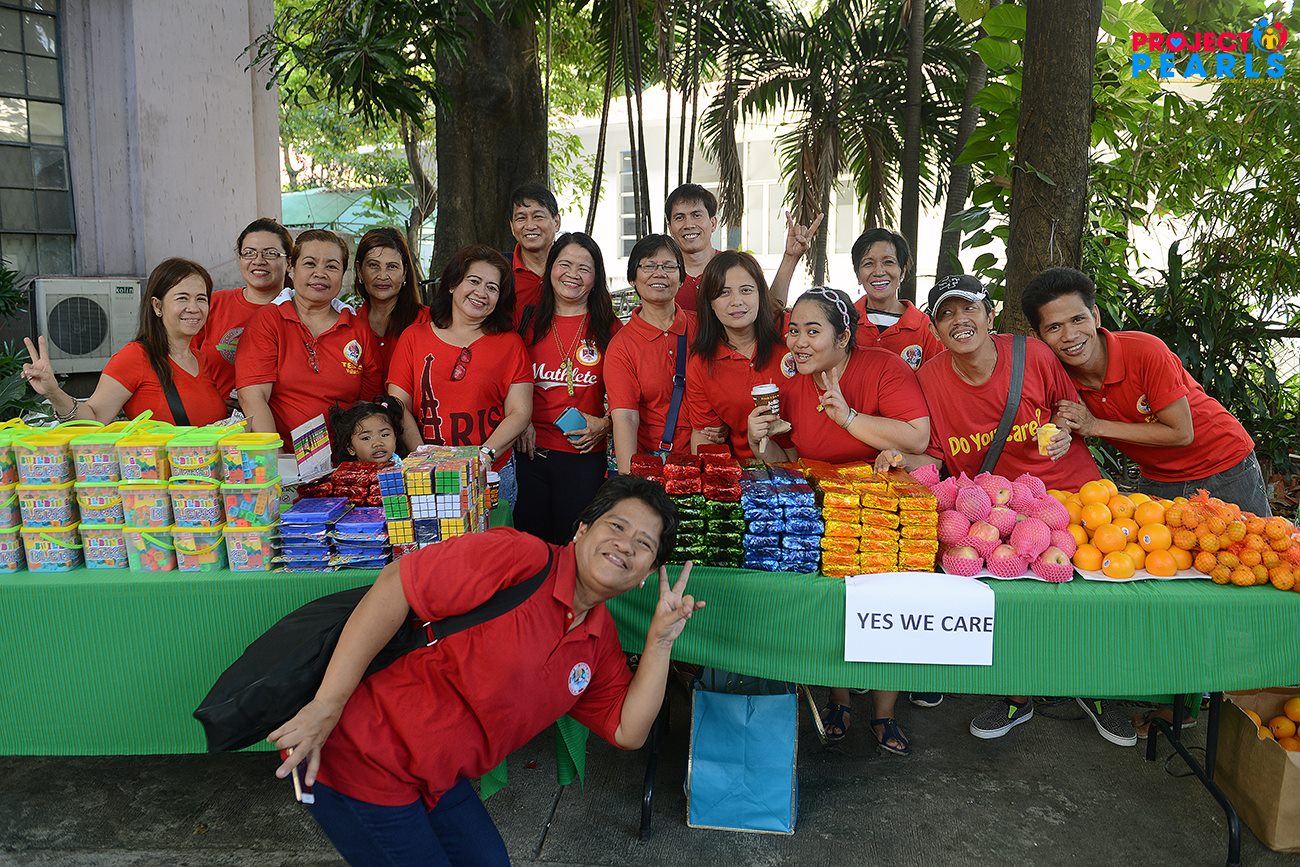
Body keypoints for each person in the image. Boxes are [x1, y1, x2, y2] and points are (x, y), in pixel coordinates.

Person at [268, 475, 704, 867]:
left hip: (436, 778)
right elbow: (396, 583)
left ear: (647, 573)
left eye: (644, 544)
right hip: (358, 758)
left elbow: (628, 730)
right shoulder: (521, 558)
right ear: (582, 529)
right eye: (617, 526)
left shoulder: (598, 637)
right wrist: (327, 703)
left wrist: (660, 641)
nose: (626, 545)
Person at [882, 276, 1130, 747]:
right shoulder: (929, 379)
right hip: (1000, 511)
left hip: (1070, 496)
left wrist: (1063, 429)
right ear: (933, 329)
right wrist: (897, 458)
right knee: (1010, 604)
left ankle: (1094, 690)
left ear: (989, 314)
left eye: (969, 309)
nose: (959, 320)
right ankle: (1017, 696)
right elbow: (933, 455)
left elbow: (1069, 407)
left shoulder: (1032, 355)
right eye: (946, 314)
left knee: (1087, 601)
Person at [748, 287, 930, 755]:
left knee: (887, 607)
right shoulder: (791, 378)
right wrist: (758, 440)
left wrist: (848, 417)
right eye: (794, 330)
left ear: (844, 336)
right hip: (825, 507)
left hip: (882, 508)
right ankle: (839, 698)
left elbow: (917, 437)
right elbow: (788, 458)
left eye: (813, 331)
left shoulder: (883, 368)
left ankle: (884, 711)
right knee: (832, 607)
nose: (798, 342)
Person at [1021, 266, 1271, 517]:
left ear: (1095, 316)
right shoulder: (1055, 371)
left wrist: (1094, 426)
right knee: (1162, 544)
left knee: (1258, 540)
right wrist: (1060, 432)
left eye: (1078, 319)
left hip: (1223, 464)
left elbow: (1181, 432)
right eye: (1054, 327)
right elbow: (1065, 413)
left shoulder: (1145, 351)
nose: (1070, 335)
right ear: (1037, 337)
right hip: (1160, 478)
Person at [386, 245, 532, 508]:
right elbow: (398, 404)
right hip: (426, 474)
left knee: (493, 536)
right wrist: (423, 458)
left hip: (491, 471)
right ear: (453, 284)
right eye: (473, 281)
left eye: (492, 288)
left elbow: (520, 412)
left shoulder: (510, 344)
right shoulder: (414, 337)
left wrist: (484, 456)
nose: (481, 292)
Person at [23, 257, 227, 426]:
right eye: (182, 298)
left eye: (201, 299)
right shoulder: (135, 357)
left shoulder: (202, 359)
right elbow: (94, 418)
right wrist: (54, 393)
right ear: (157, 306)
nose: (194, 308)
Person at [515, 232, 622, 544]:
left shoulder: (609, 328)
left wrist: (606, 424)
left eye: (584, 268)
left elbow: (630, 397)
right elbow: (506, 383)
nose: (572, 274)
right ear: (550, 269)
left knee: (574, 548)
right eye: (564, 264)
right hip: (529, 455)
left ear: (596, 278)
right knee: (530, 550)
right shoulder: (527, 322)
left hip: (583, 457)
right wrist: (520, 420)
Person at [236, 229, 385, 451]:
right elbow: (252, 397)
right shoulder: (269, 320)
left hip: (342, 458)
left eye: (331, 266)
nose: (320, 273)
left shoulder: (358, 330)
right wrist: (278, 459)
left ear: (343, 274)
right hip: (281, 455)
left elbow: (366, 407)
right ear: (291, 267)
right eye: (309, 263)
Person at [606, 235, 699, 473]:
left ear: (681, 278)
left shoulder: (702, 328)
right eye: (648, 266)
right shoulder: (622, 345)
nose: (659, 273)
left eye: (669, 266)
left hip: (705, 460)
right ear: (633, 279)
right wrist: (629, 479)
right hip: (654, 466)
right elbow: (626, 418)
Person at [685, 250, 787, 459]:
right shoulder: (701, 364)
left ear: (761, 294)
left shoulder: (790, 335)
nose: (736, 301)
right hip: (749, 469)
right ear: (710, 302)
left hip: (814, 463)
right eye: (724, 293)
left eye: (746, 290)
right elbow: (705, 434)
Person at [194, 218, 294, 404]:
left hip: (278, 419)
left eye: (270, 253)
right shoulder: (213, 304)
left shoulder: (301, 312)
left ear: (289, 262)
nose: (258, 261)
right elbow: (181, 363)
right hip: (215, 418)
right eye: (249, 253)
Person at [353, 228, 430, 380]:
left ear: (405, 272)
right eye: (373, 265)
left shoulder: (427, 322)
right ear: (359, 271)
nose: (382, 276)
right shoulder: (349, 325)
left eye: (392, 267)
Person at [508, 183, 562, 327]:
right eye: (521, 218)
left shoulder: (572, 271)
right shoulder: (499, 272)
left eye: (538, 217)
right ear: (512, 227)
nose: (530, 226)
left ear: (556, 222)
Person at [664, 183, 719, 314]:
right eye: (679, 218)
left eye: (696, 215)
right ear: (670, 228)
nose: (688, 225)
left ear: (713, 223)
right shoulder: (662, 276)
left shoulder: (733, 269)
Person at [328, 398, 405, 466]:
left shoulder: (406, 468)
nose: (378, 443)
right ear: (351, 448)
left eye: (384, 435)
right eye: (366, 438)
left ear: (395, 436)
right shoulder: (348, 476)